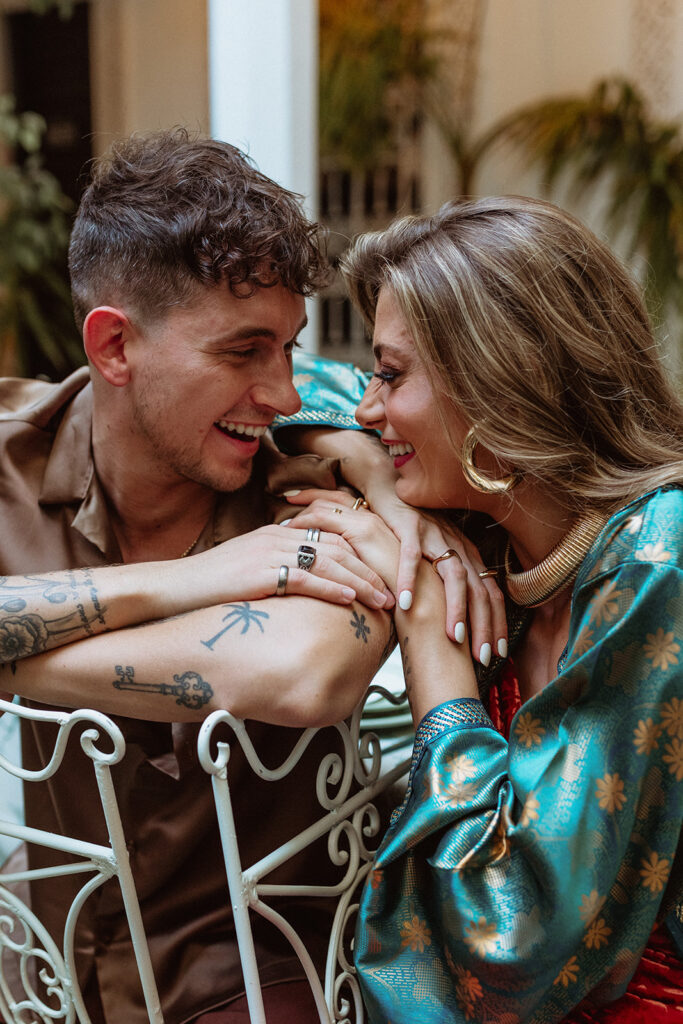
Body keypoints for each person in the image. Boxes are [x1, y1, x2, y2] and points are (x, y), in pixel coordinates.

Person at [0, 128, 396, 1024]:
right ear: (113, 348)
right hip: (47, 971)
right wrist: (193, 582)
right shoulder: (11, 469)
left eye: (289, 349)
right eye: (242, 351)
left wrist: (17, 661)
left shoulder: (318, 492)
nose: (285, 393)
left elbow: (305, 676)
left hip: (267, 980)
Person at [285, 196, 683, 1022]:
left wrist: (429, 627)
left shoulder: (657, 555)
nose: (364, 405)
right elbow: (280, 397)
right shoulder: (501, 536)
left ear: (499, 380)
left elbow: (509, 932)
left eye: (390, 375)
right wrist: (388, 496)